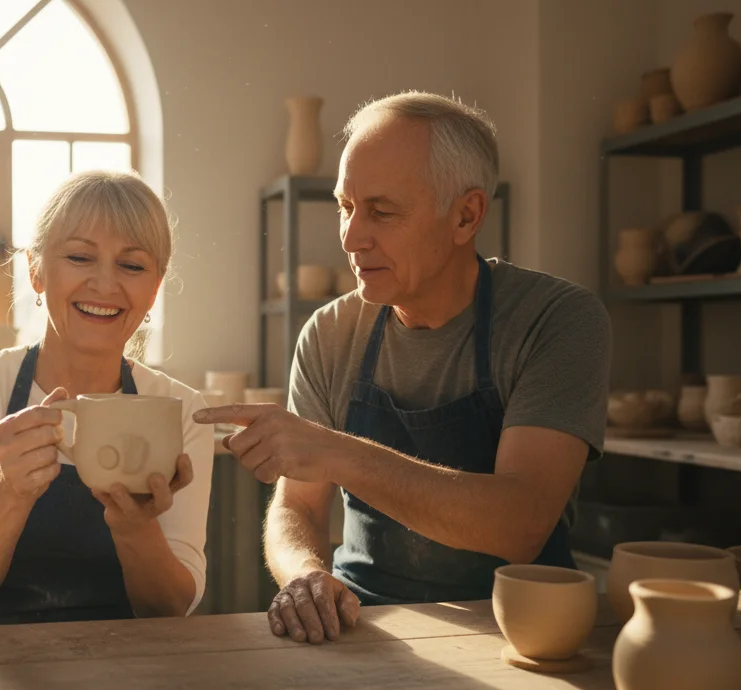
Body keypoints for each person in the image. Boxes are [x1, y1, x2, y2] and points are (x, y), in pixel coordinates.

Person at [196, 92, 610, 643]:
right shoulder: (329, 334)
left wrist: (338, 452)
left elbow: (521, 522)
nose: (350, 237)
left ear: (466, 215)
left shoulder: (556, 320)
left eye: (382, 211)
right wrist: (305, 576)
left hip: (524, 629)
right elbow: (296, 506)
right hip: (367, 626)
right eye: (346, 206)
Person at [0, 170, 213, 627]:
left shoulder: (183, 412)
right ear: (35, 270)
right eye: (79, 257)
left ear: (155, 286)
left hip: (121, 660)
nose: (105, 284)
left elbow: (169, 610)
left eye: (132, 266)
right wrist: (10, 490)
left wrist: (135, 527)